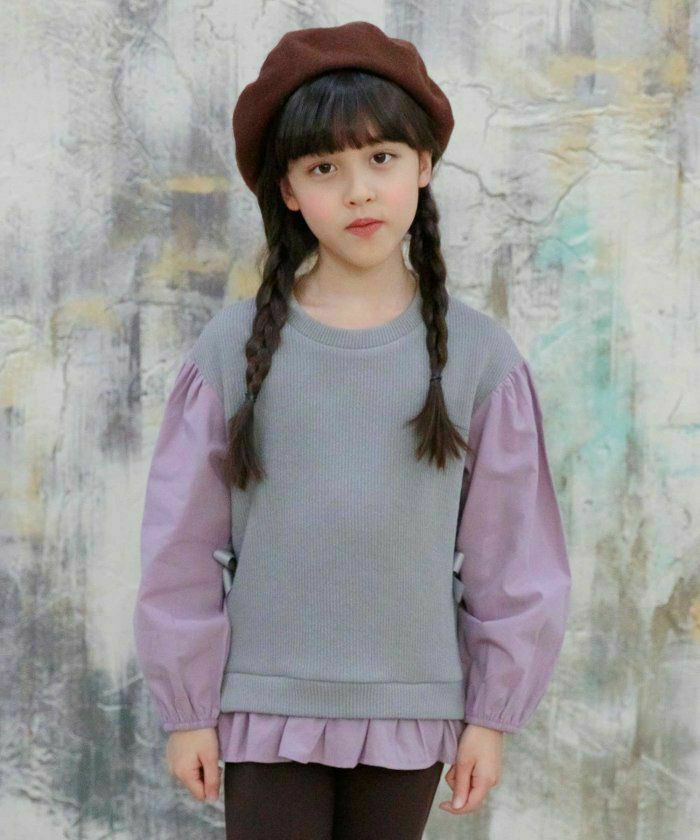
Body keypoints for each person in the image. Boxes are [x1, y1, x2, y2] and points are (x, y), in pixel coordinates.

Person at [132, 20, 572, 840]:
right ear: (289, 190)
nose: (359, 191)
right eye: (325, 168)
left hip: (411, 711)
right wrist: (187, 710)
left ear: (424, 165)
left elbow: (515, 556)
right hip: (264, 707)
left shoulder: (481, 359)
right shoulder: (231, 351)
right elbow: (181, 543)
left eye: (382, 158)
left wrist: (492, 715)